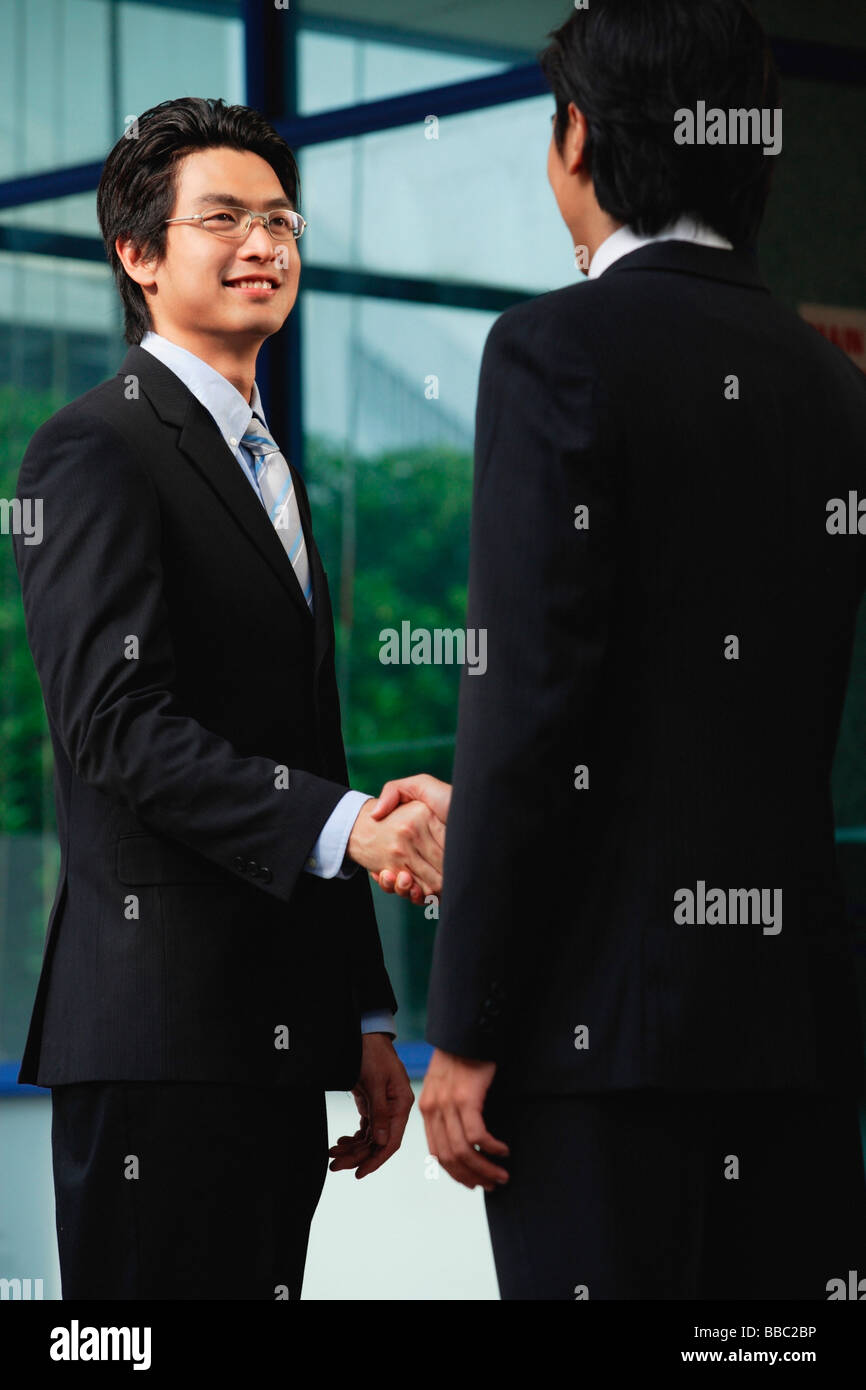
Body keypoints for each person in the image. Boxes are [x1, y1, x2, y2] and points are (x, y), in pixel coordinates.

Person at [415, 0, 866, 1299]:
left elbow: (531, 704)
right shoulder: (831, 387)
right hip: (789, 1030)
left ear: (576, 139)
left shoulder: (556, 349)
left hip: (599, 1041)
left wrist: (469, 1027)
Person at [12, 96, 445, 1301]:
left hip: (266, 1042)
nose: (265, 244)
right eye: (224, 220)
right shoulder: (94, 448)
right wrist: (351, 824)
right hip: (159, 1037)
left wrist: (362, 1014)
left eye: (280, 219)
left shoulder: (266, 466)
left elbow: (309, 744)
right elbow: (115, 726)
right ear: (138, 256)